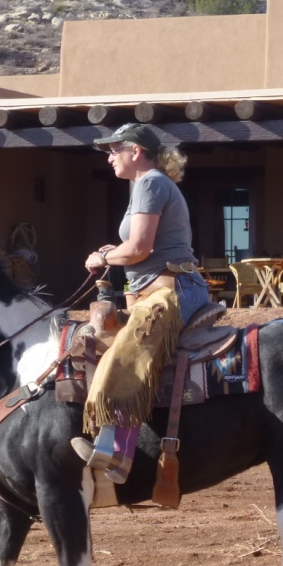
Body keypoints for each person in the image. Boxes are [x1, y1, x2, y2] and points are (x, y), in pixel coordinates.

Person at [73, 123, 211, 482]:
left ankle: (117, 455)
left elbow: (139, 249)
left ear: (135, 151)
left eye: (113, 150)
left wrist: (104, 259)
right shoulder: (145, 185)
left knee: (129, 348)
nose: (109, 158)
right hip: (157, 287)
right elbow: (134, 249)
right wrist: (112, 252)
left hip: (172, 289)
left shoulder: (150, 183)